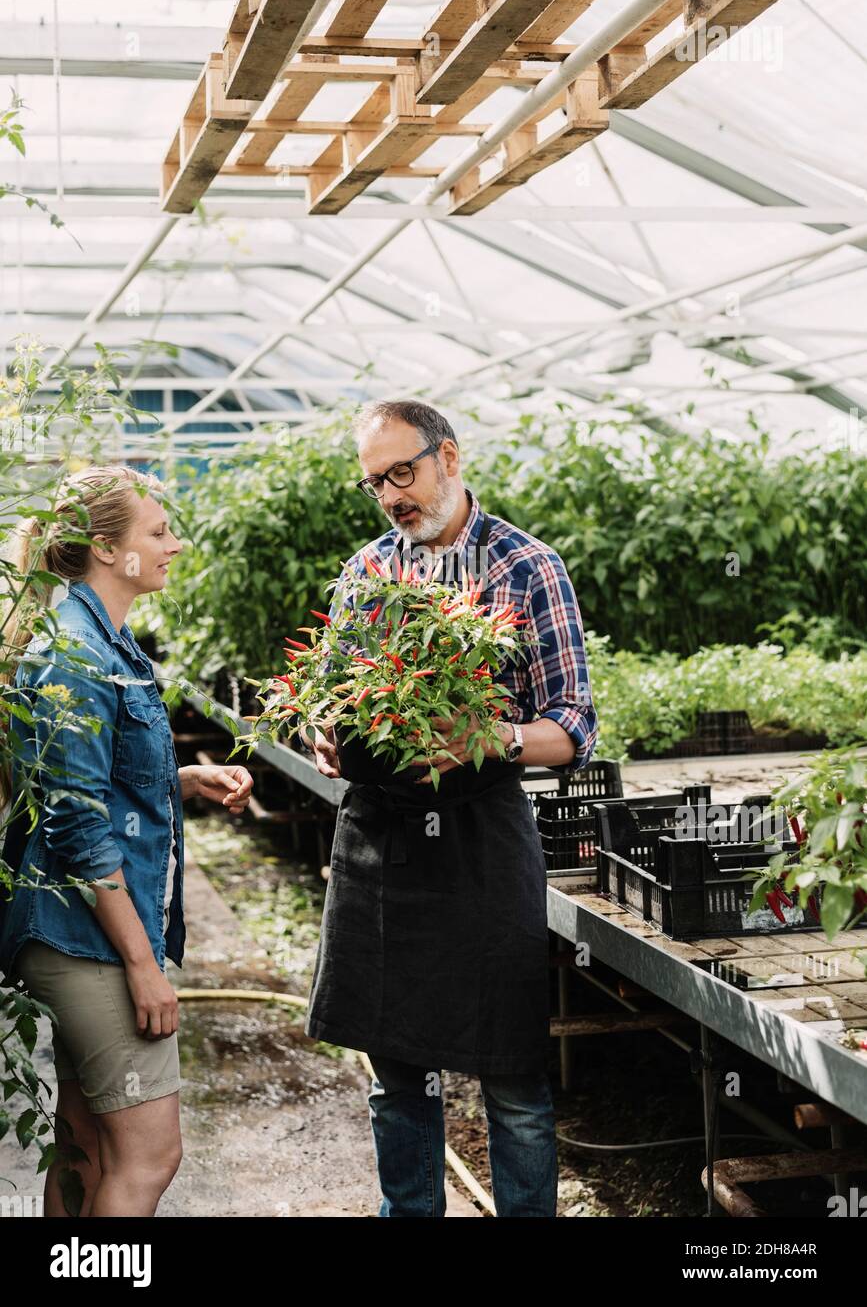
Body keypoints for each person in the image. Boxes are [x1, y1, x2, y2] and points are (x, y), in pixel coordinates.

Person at [304, 400, 597, 1217]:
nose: (392, 495)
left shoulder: (524, 566)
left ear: (449, 458)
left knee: (511, 1076)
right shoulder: (366, 572)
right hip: (383, 842)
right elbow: (335, 699)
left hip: (479, 842)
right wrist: (325, 734)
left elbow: (572, 724)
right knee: (397, 1076)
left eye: (402, 471)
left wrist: (486, 737)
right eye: (375, 483)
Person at [0, 465, 253, 1217]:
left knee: (84, 1141)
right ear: (107, 550)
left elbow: (88, 785)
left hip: (82, 931)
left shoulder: (103, 639)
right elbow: (76, 826)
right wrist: (144, 968)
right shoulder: (75, 655)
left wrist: (177, 782)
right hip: (88, 938)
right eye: (158, 531)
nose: (174, 544)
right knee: (148, 1155)